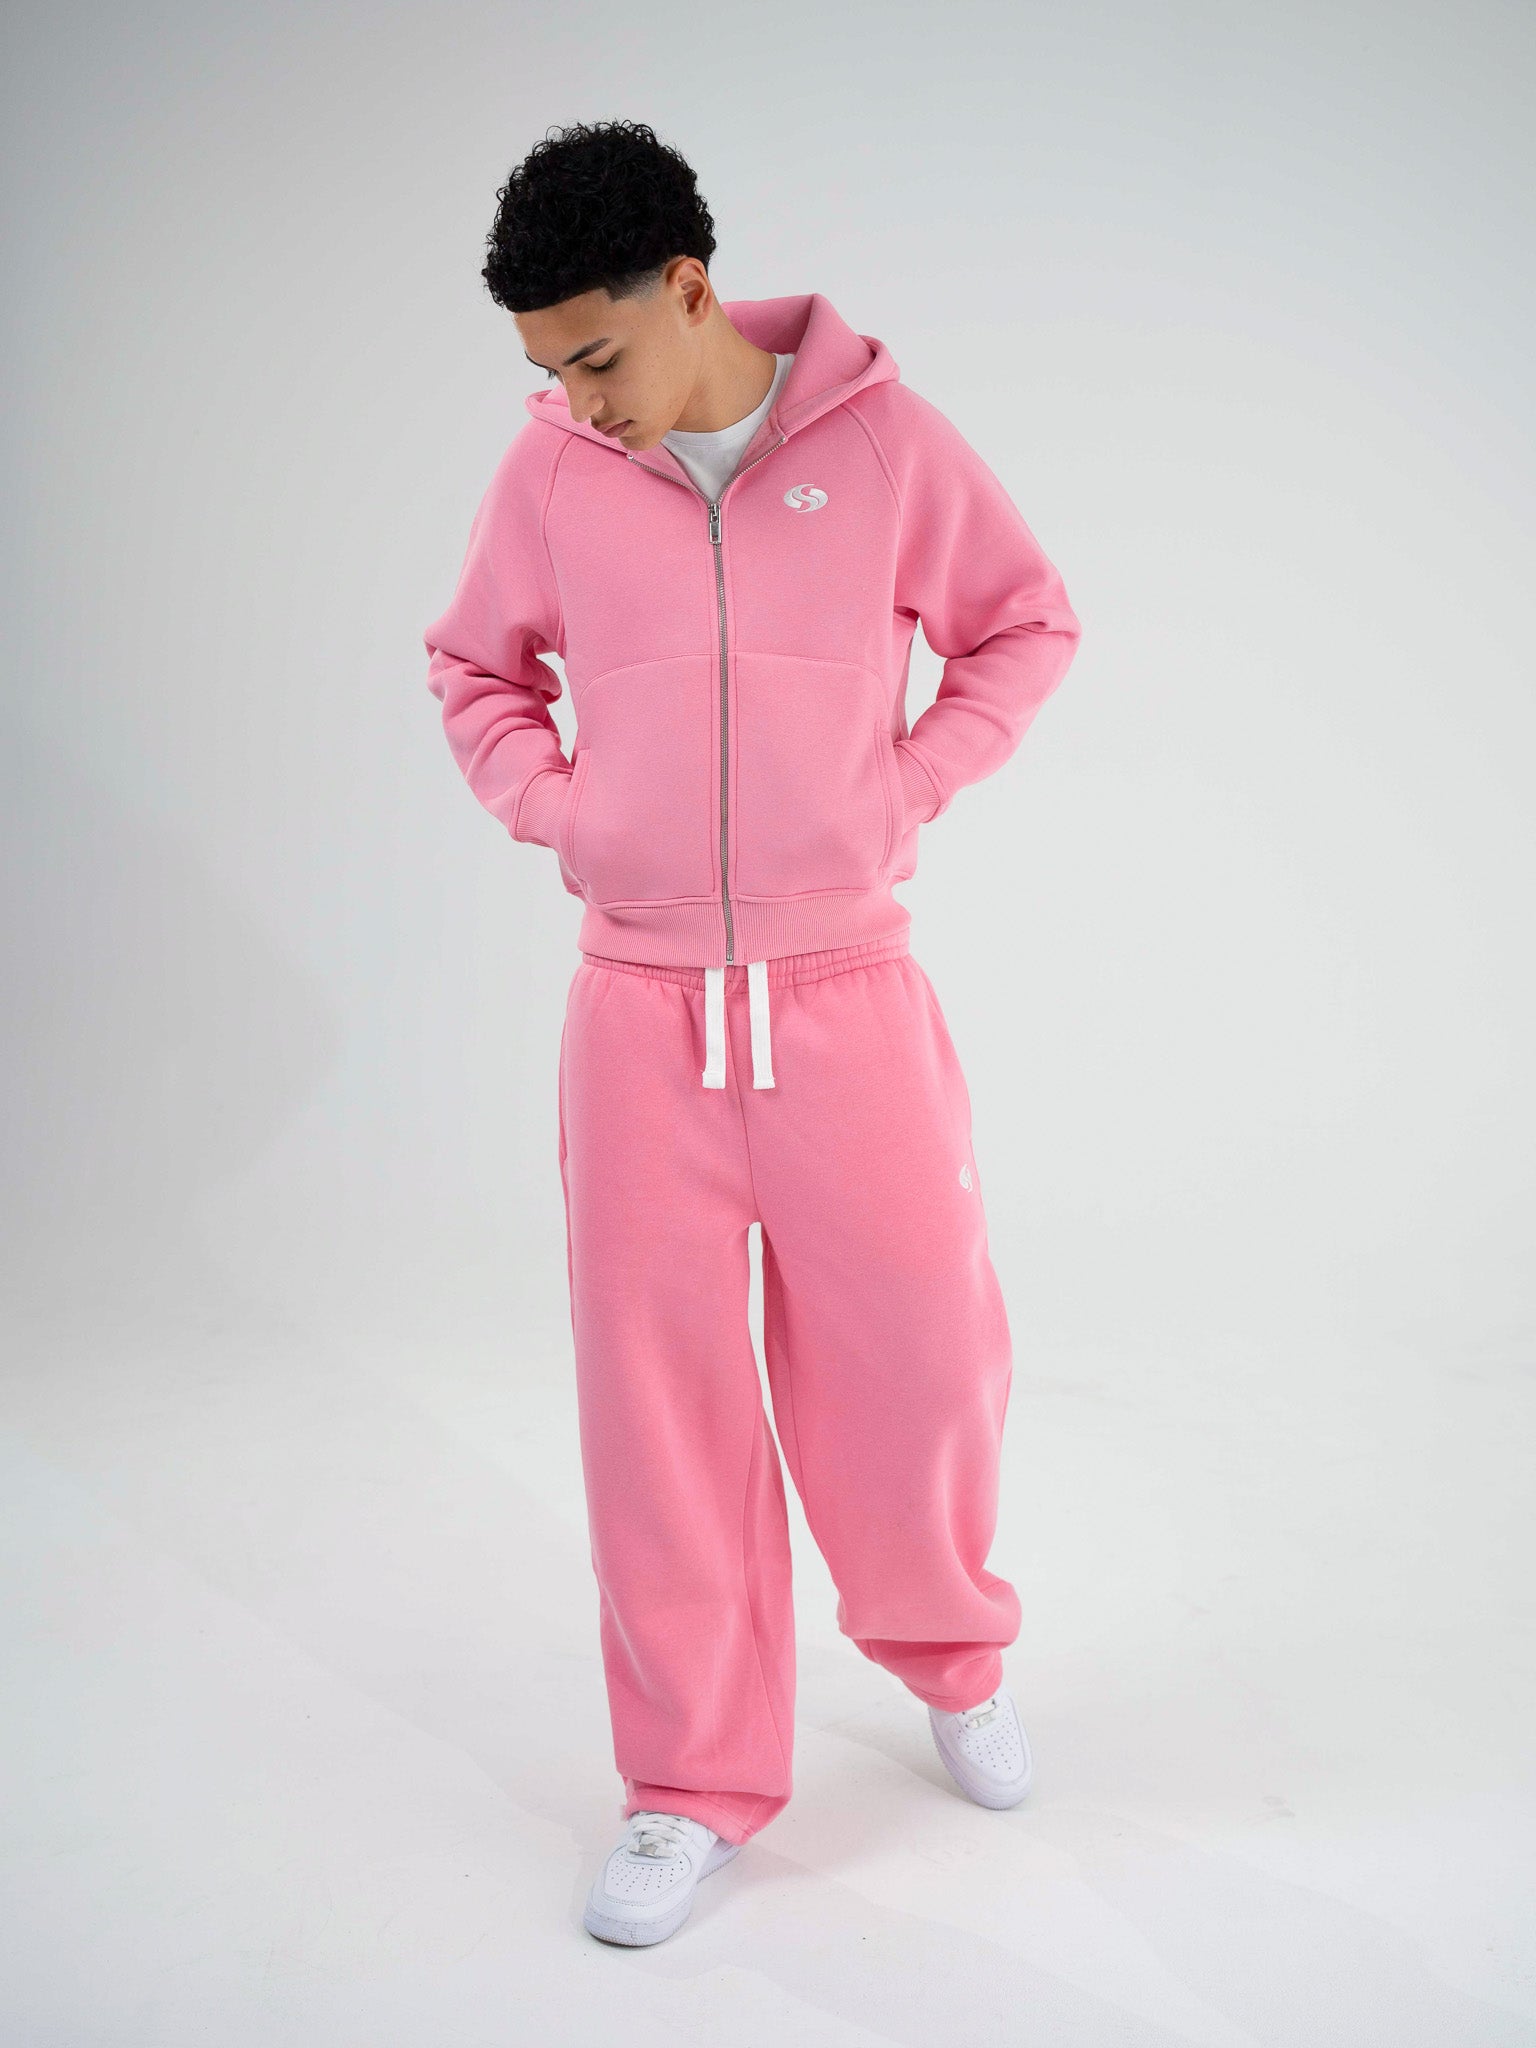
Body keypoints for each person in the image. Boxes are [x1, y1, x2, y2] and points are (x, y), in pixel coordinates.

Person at [422, 119, 1082, 1948]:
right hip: (637, 1018)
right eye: (550, 371)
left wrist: (904, 786)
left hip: (847, 993)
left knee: (921, 1358)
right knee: (660, 1413)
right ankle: (690, 1781)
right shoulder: (552, 471)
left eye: (598, 356)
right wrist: (567, 814)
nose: (581, 401)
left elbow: (1025, 624)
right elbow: (475, 666)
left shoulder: (882, 442)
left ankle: (952, 1659)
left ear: (692, 290)